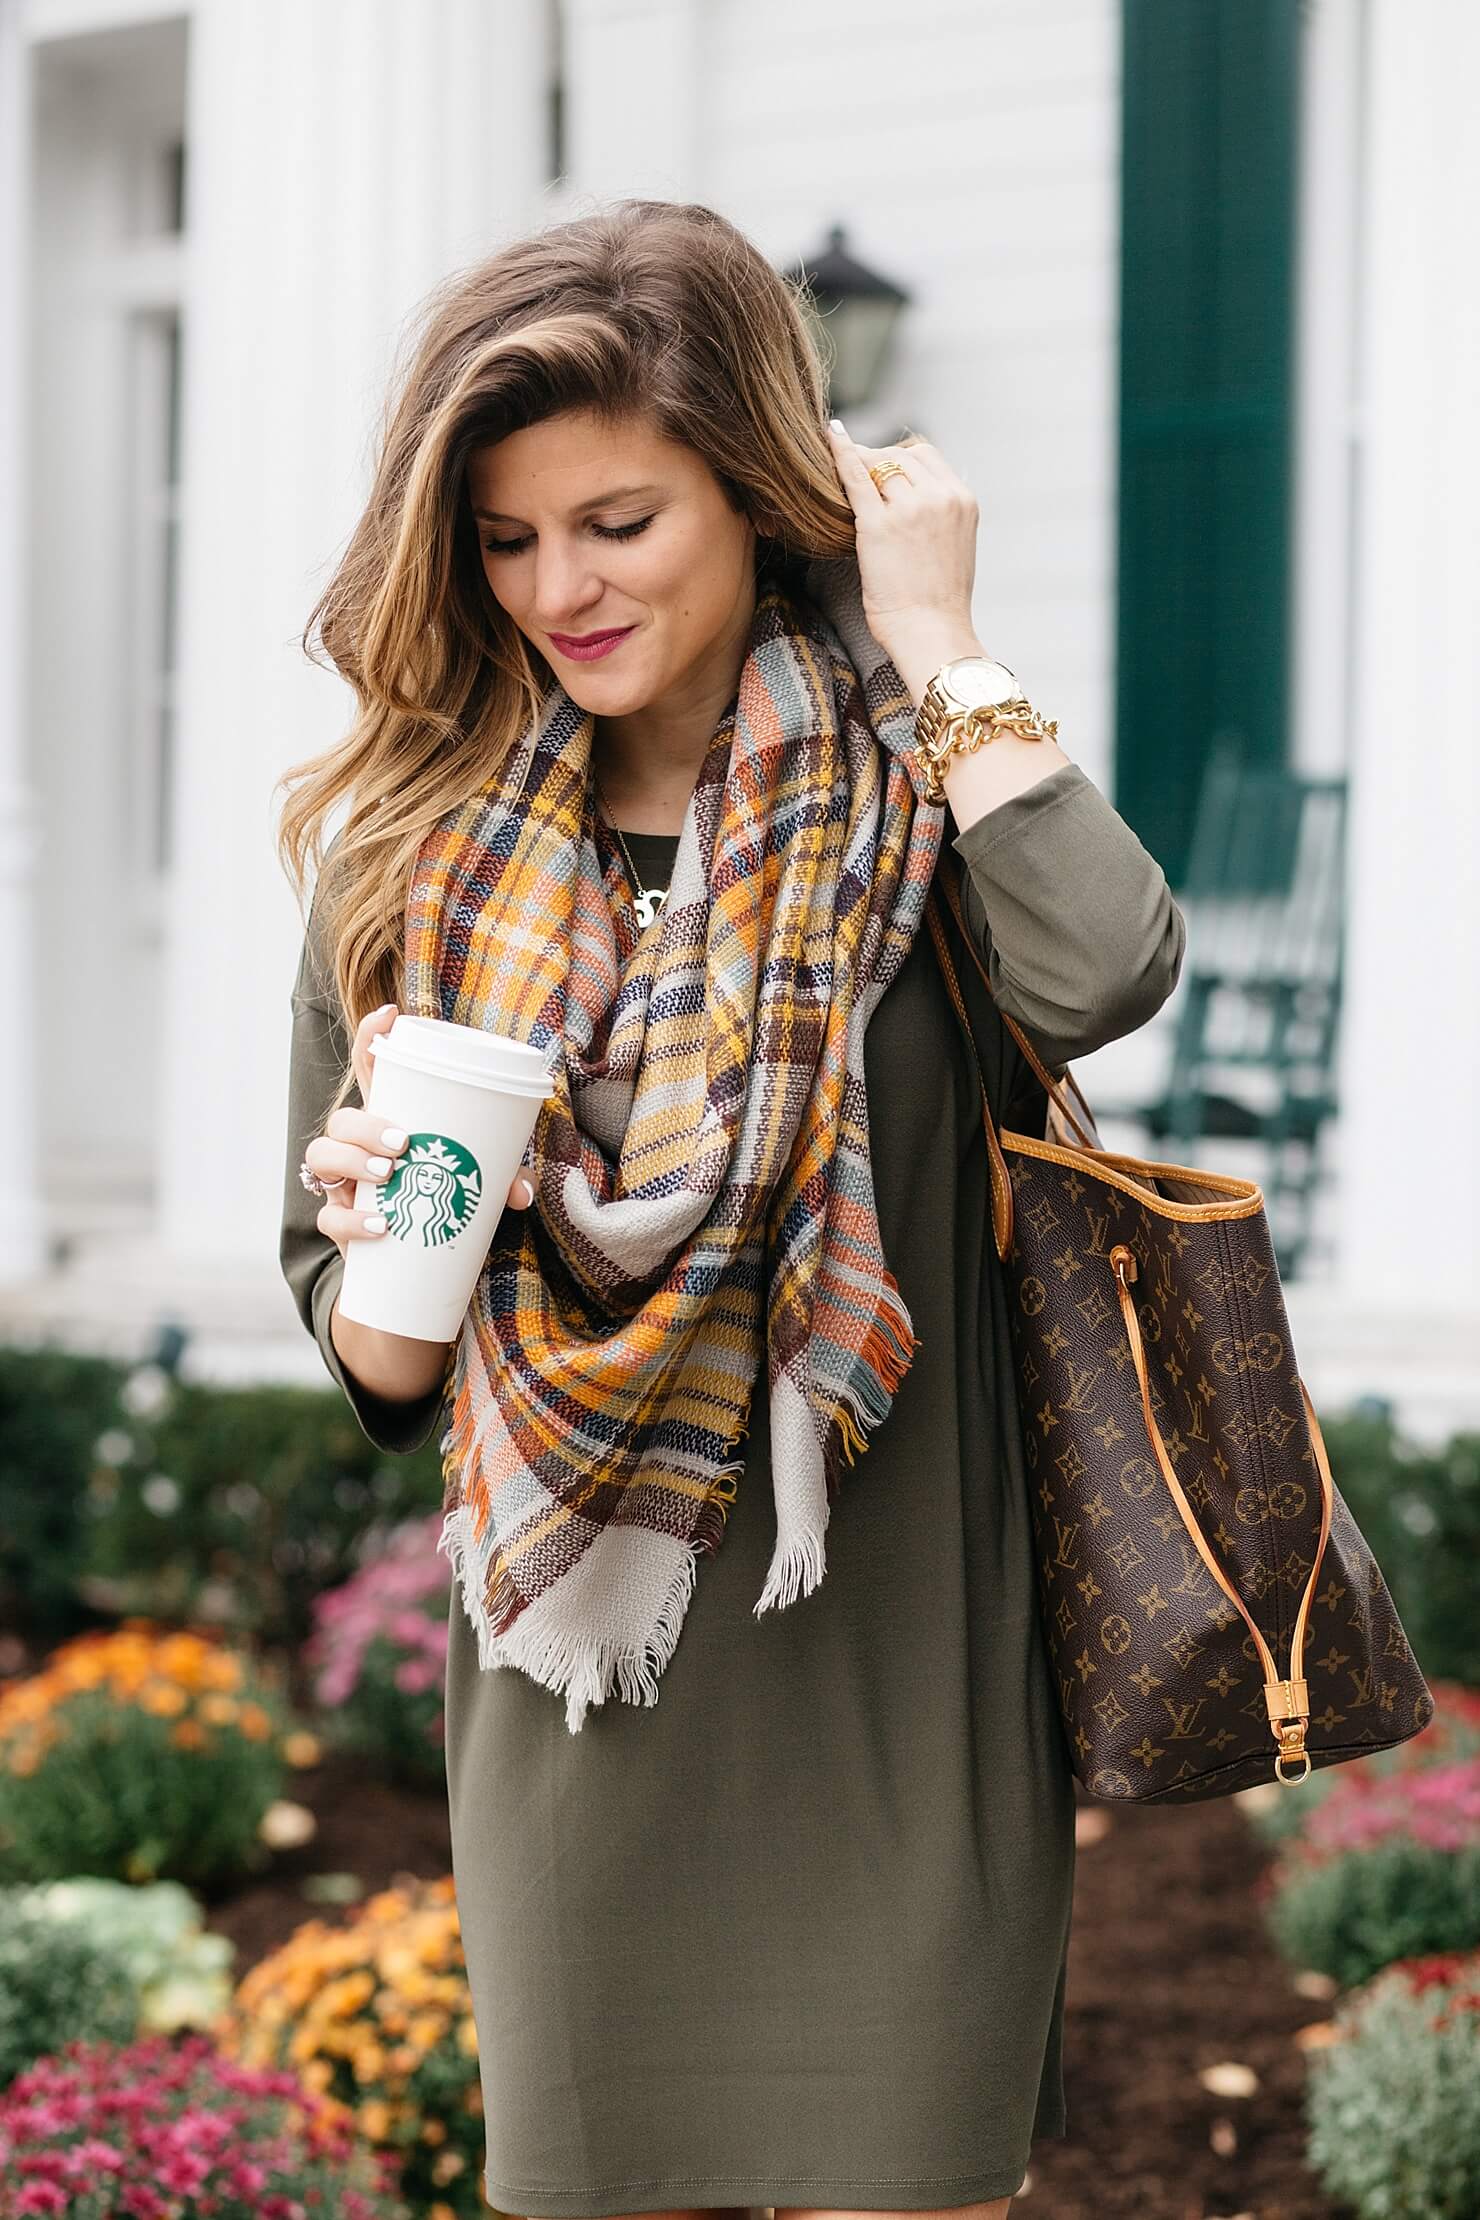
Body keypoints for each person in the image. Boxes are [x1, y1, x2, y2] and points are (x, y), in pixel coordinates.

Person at [277, 198, 1185, 2220]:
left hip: (901, 1686)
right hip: (583, 1710)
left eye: (615, 522)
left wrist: (937, 637)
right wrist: (382, 1215)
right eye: (505, 541)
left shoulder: (911, 791)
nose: (554, 589)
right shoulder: (407, 866)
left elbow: (1108, 965)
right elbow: (377, 1358)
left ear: (753, 496)